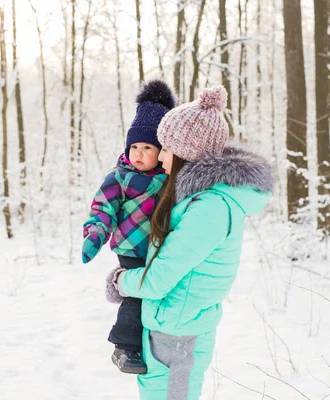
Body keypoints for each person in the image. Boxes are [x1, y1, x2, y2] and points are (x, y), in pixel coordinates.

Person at [105, 86, 273, 399]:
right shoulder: (199, 202)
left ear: (186, 153)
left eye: (166, 149)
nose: (159, 156)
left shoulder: (208, 209)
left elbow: (159, 280)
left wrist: (121, 281)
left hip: (176, 331)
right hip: (171, 324)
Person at [82, 80, 177, 374]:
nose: (138, 153)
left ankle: (152, 342)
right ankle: (125, 347)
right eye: (134, 146)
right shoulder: (120, 177)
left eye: (147, 147)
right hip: (130, 246)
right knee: (136, 294)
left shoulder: (168, 178)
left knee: (156, 293)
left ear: (161, 151)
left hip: (158, 248)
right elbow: (103, 207)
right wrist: (95, 233)